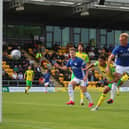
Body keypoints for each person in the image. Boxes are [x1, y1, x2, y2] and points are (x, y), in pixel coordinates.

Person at [106, 33, 129, 100]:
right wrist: (108, 67)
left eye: (122, 40)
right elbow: (110, 58)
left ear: (126, 40)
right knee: (115, 81)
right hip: (120, 66)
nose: (120, 41)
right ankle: (111, 98)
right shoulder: (117, 48)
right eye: (120, 40)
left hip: (128, 66)